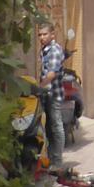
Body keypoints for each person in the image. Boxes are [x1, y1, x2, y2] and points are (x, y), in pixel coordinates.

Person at [37, 23, 68, 166]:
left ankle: (57, 161)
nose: (42, 37)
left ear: (52, 35)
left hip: (53, 94)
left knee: (56, 127)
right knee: (48, 127)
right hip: (46, 94)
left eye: (45, 34)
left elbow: (52, 74)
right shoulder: (44, 50)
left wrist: (39, 86)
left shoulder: (54, 50)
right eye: (40, 35)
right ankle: (50, 160)